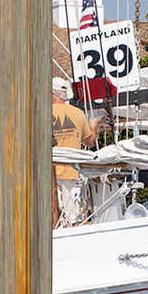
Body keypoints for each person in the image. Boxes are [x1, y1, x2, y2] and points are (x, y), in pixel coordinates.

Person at [51, 78, 97, 226]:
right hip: (72, 172)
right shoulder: (78, 113)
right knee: (74, 217)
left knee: (53, 217)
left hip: (50, 173)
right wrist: (93, 127)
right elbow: (90, 142)